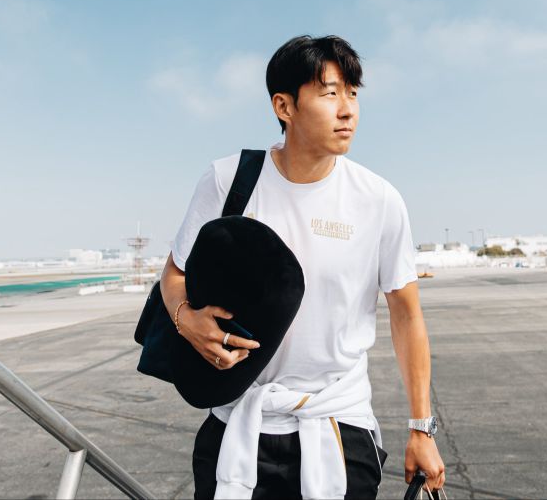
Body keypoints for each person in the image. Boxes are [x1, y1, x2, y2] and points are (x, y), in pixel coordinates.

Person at [160, 35, 445, 499]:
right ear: (284, 106)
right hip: (237, 422)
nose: (348, 110)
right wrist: (184, 319)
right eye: (330, 93)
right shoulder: (229, 180)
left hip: (338, 424)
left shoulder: (378, 200)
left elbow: (407, 314)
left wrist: (421, 428)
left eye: (353, 93)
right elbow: (175, 273)